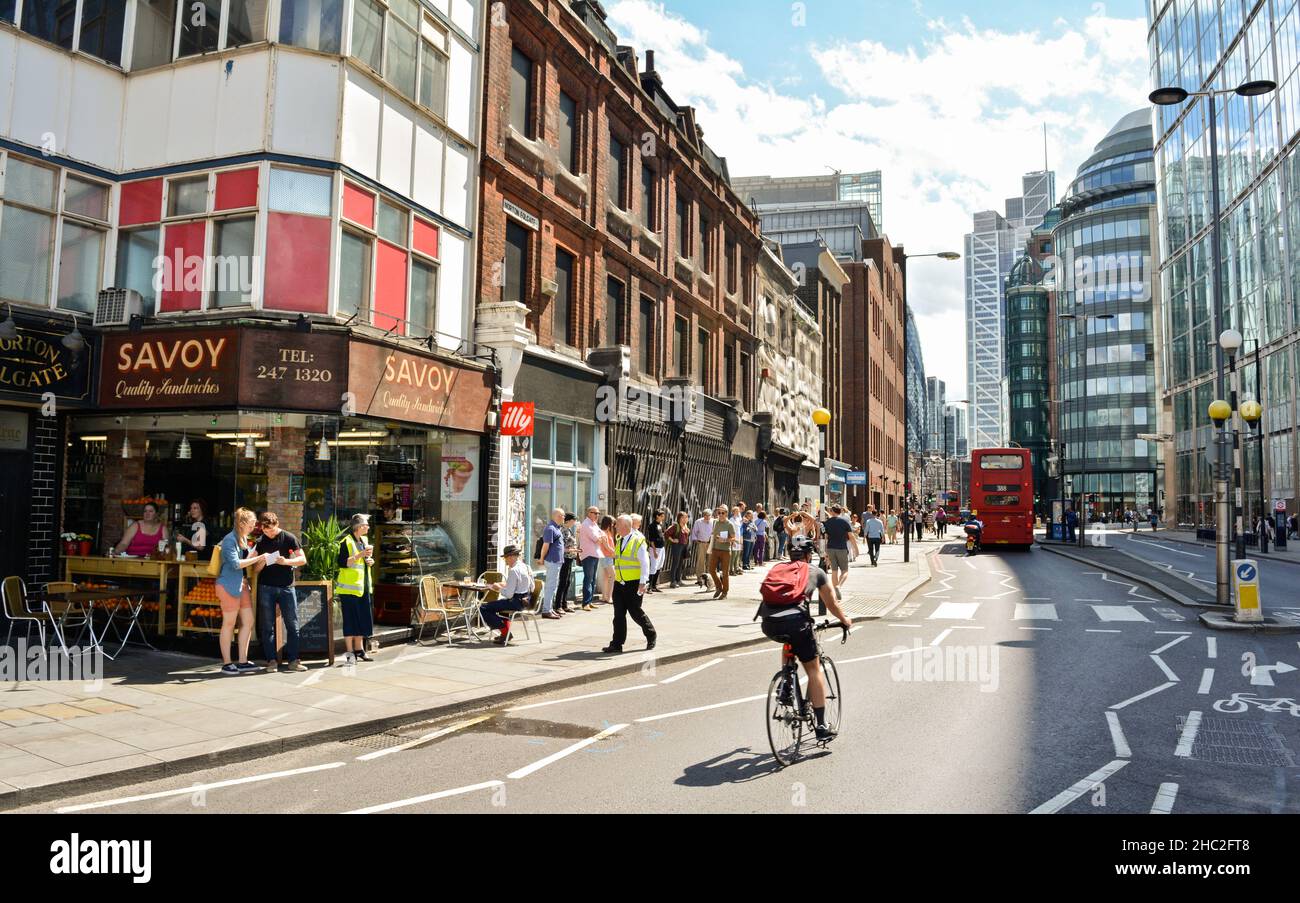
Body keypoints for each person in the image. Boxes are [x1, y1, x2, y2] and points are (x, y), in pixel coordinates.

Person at [757, 533, 852, 742]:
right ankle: (821, 725)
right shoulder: (816, 572)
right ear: (809, 555)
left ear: (791, 554)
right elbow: (831, 603)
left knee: (788, 640)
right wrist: (845, 620)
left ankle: (786, 683)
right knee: (813, 669)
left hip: (769, 623)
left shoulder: (778, 569)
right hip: (796, 623)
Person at [252, 512, 308, 673]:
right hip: (266, 587)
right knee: (267, 626)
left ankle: (293, 660)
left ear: (277, 524)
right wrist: (261, 561)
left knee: (293, 624)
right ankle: (271, 661)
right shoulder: (260, 541)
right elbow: (255, 569)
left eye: (270, 530)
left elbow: (302, 560)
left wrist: (286, 562)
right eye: (265, 531)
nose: (268, 534)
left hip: (286, 587)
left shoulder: (289, 538)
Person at [602, 516, 657, 654]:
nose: (615, 527)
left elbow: (645, 562)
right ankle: (617, 644)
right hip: (619, 583)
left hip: (633, 584)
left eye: (617, 524)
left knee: (635, 612)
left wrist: (643, 582)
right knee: (618, 615)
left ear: (625, 526)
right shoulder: (620, 540)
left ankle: (651, 635)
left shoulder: (638, 541)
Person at [336, 513, 376, 665]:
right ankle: (350, 654)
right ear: (359, 527)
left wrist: (370, 561)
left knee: (361, 619)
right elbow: (342, 563)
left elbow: (363, 561)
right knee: (350, 621)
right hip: (349, 589)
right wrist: (360, 555)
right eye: (366, 525)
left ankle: (359, 650)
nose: (368, 527)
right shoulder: (345, 541)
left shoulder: (364, 540)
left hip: (363, 587)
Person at [484, 545, 532, 645]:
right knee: (501, 610)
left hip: (516, 602)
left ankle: (505, 633)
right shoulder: (525, 566)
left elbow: (509, 595)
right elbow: (532, 587)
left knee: (484, 608)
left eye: (505, 558)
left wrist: (498, 588)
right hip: (526, 600)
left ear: (510, 557)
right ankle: (505, 634)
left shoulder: (513, 570)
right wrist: (506, 585)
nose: (505, 561)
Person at [820, 504, 858, 597]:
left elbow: (825, 537)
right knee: (845, 570)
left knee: (834, 571)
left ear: (832, 511)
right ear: (840, 511)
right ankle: (838, 587)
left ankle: (835, 592)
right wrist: (856, 549)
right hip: (841, 548)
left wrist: (824, 551)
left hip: (830, 548)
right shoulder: (845, 522)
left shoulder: (827, 522)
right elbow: (851, 536)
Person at [536, 508, 566, 621]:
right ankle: (546, 610)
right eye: (562, 515)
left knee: (553, 586)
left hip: (557, 561)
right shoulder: (550, 528)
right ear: (557, 516)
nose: (564, 517)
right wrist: (541, 559)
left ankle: (549, 608)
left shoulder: (557, 528)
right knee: (550, 586)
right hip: (552, 561)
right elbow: (545, 545)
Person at [578, 506, 604, 611]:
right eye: (595, 513)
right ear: (589, 513)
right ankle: (585, 603)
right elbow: (598, 539)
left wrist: (601, 537)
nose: (597, 515)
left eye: (598, 513)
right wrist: (601, 538)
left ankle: (590, 601)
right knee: (588, 579)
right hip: (588, 554)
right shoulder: (586, 524)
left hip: (595, 553)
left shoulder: (594, 524)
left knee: (593, 579)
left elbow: (602, 535)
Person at [708, 505, 734, 600]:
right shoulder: (715, 522)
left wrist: (725, 540)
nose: (721, 515)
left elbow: (733, 538)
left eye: (723, 513)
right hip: (715, 549)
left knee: (725, 572)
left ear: (726, 513)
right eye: (719, 513)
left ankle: (725, 592)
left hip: (726, 551)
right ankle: (719, 587)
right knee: (711, 569)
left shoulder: (729, 524)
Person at [556, 512, 579, 613]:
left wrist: (574, 549)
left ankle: (564, 604)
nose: (574, 523)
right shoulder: (563, 530)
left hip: (569, 558)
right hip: (564, 558)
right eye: (574, 521)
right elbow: (561, 547)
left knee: (567, 581)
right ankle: (558, 605)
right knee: (563, 581)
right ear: (569, 520)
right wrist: (573, 550)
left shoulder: (568, 529)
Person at [664, 511, 690, 588]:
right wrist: (672, 540)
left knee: (680, 564)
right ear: (679, 518)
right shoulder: (675, 526)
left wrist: (687, 532)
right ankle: (672, 581)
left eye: (686, 517)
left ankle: (678, 580)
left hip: (683, 546)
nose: (685, 519)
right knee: (675, 563)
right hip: (677, 546)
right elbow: (666, 533)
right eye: (683, 517)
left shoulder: (685, 526)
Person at [690, 510, 714, 588]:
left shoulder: (714, 522)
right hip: (701, 543)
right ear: (703, 515)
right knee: (701, 560)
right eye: (705, 515)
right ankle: (700, 578)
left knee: (710, 561)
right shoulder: (698, 522)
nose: (707, 517)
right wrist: (696, 540)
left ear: (711, 515)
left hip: (710, 543)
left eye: (708, 515)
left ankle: (709, 578)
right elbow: (694, 532)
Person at [597, 515, 617, 604]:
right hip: (606, 557)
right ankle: (609, 597)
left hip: (607, 557)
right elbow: (607, 547)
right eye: (612, 523)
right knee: (613, 576)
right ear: (608, 523)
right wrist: (616, 554)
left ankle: (604, 596)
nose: (613, 525)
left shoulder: (608, 532)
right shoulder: (603, 533)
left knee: (605, 577)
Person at [646, 509, 667, 592]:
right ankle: (649, 587)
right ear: (657, 516)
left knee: (659, 566)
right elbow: (651, 539)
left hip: (662, 548)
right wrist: (654, 551)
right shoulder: (652, 526)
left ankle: (654, 586)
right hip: (655, 548)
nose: (663, 517)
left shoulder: (661, 524)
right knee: (653, 567)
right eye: (661, 516)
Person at [729, 506, 744, 577]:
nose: (738, 512)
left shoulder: (738, 519)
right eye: (737, 511)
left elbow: (740, 530)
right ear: (733, 512)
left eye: (738, 511)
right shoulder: (731, 519)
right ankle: (731, 570)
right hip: (734, 538)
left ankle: (736, 569)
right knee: (733, 555)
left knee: (737, 555)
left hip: (738, 538)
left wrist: (740, 539)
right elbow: (731, 530)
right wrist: (733, 540)